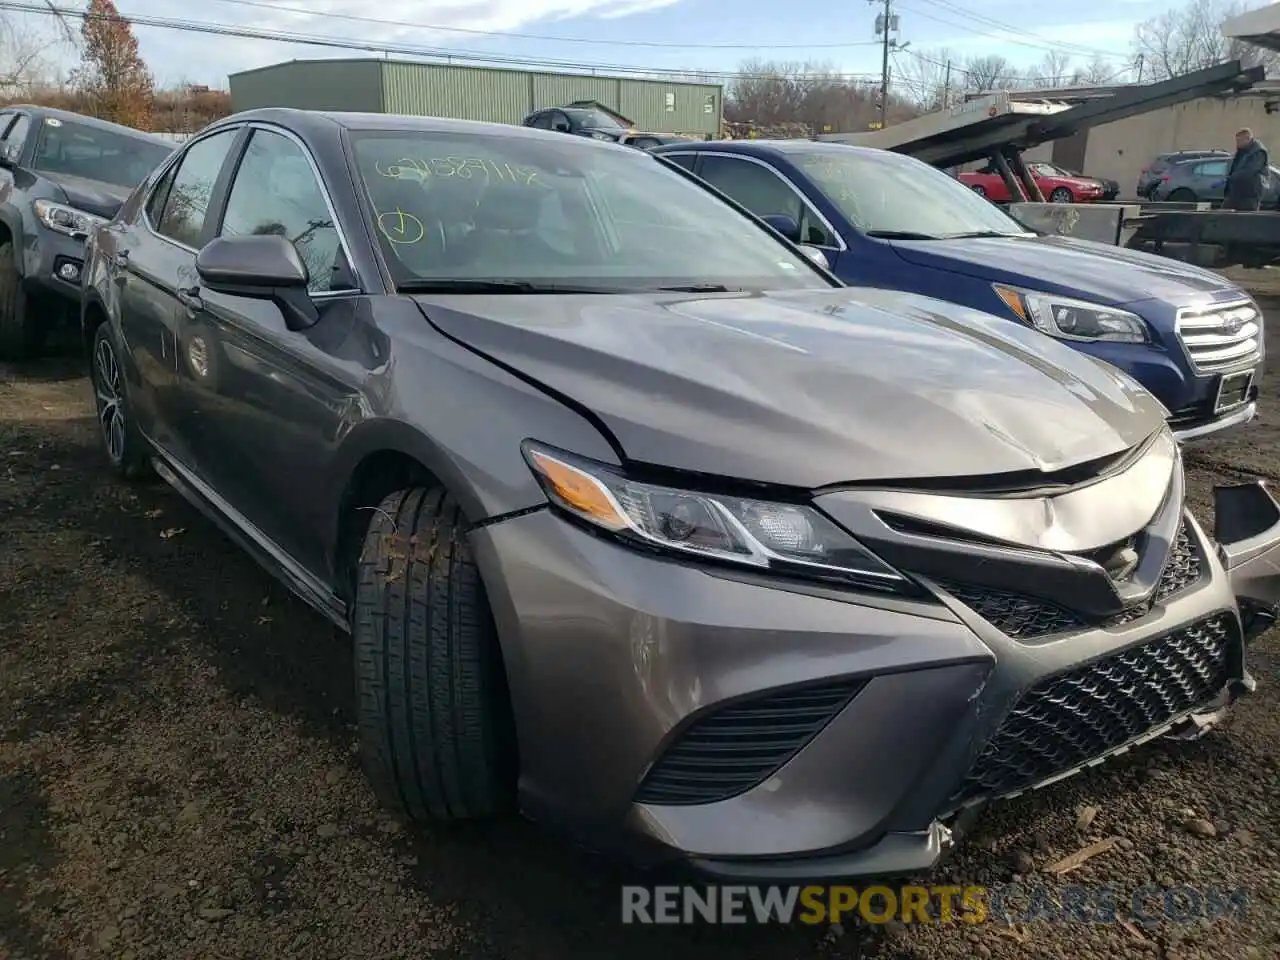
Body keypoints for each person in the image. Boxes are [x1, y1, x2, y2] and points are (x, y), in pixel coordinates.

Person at [1223, 127, 1269, 211]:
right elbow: (1235, 167)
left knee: (1247, 217)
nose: (1237, 144)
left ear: (1248, 139)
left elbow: (1250, 170)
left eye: (1239, 141)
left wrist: (1233, 177)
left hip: (1250, 191)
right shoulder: (1242, 151)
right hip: (1236, 190)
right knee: (1225, 212)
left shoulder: (1258, 152)